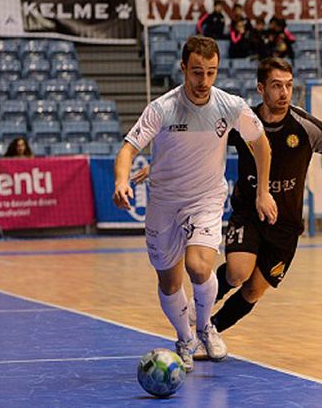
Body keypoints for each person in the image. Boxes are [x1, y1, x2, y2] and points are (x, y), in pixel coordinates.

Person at [113, 36, 278, 372]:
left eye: (211, 73)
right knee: (169, 282)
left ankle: (205, 327)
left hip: (206, 198)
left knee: (200, 267)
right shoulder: (162, 108)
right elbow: (129, 148)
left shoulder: (230, 106)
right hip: (164, 202)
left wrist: (263, 191)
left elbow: (261, 145)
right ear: (184, 69)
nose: (204, 81)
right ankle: (184, 337)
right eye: (197, 73)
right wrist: (120, 180)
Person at [207, 57, 322, 340]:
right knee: (237, 273)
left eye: (289, 86)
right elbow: (204, 143)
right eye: (276, 86)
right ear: (261, 88)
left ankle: (211, 330)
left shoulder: (304, 124)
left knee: (254, 289)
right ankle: (195, 309)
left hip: (286, 225)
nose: (284, 93)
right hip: (249, 213)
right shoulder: (245, 121)